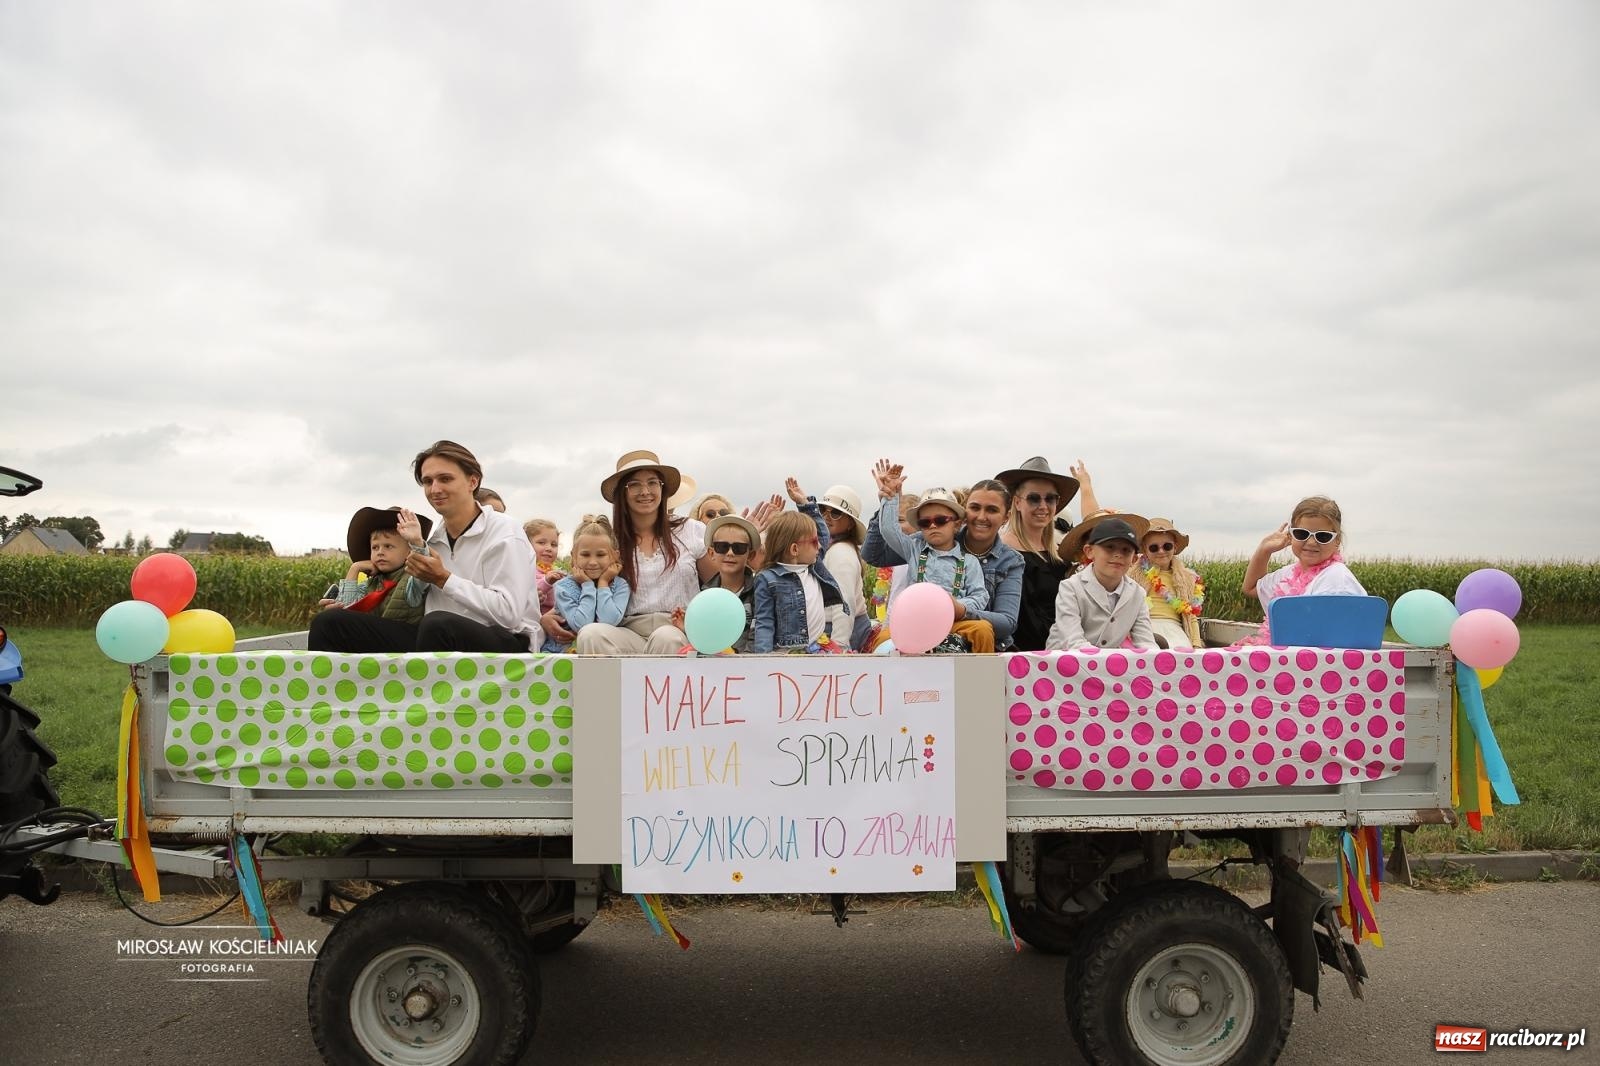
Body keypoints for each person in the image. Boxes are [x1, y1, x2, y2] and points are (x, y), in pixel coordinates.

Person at [309, 441, 540, 653]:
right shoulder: (433, 541)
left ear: (473, 481)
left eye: (445, 479)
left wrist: (443, 579)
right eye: (428, 481)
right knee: (329, 623)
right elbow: (407, 600)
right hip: (435, 637)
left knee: (437, 624)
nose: (434, 489)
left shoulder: (504, 533)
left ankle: (417, 683)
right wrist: (352, 604)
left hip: (505, 642)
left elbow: (508, 614)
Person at [572, 450, 716, 655]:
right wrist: (550, 614)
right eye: (634, 485)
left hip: (677, 628)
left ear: (662, 488)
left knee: (666, 637)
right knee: (590, 634)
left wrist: (743, 542)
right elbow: (581, 577)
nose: (645, 491)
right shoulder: (610, 539)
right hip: (627, 630)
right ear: (623, 492)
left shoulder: (690, 530)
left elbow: (718, 583)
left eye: (652, 482)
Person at [869, 462, 990, 651]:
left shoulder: (969, 561)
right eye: (925, 522)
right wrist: (890, 498)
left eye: (940, 520)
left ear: (957, 524)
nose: (933, 526)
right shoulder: (914, 548)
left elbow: (980, 595)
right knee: (883, 637)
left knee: (983, 630)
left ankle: (983, 671)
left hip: (953, 621)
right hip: (915, 620)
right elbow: (889, 530)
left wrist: (958, 606)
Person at [1239, 496, 1365, 645]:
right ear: (1290, 536)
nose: (1311, 542)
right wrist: (1264, 550)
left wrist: (1264, 650)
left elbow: (1324, 638)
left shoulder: (1337, 579)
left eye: (1323, 536)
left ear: (1336, 541)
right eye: (1301, 534)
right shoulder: (1290, 574)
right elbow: (1251, 588)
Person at [996, 457, 1081, 652]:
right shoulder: (1002, 551)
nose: (1043, 506)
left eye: (1050, 498)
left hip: (1062, 653)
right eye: (1034, 498)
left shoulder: (1061, 555)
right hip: (1019, 655)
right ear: (1017, 502)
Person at [751, 479, 846, 653]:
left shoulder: (814, 566)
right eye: (814, 541)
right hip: (786, 654)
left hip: (817, 648)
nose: (820, 545)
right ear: (795, 549)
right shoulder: (767, 579)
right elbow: (764, 622)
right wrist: (764, 659)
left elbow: (823, 534)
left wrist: (805, 504)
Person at [1046, 513, 1155, 651]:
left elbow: (1146, 642)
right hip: (1064, 659)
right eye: (1109, 547)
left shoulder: (1138, 594)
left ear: (1134, 559)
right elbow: (1072, 640)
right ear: (1089, 551)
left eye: (1126, 550)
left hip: (1106, 661)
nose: (1118, 554)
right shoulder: (1070, 587)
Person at [316, 506, 431, 625]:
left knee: (328, 619)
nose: (380, 552)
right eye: (375, 547)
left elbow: (422, 567)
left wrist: (416, 542)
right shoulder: (371, 584)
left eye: (388, 546)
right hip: (374, 635)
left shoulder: (412, 582)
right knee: (328, 618)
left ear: (409, 551)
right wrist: (355, 568)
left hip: (402, 635)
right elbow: (346, 611)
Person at [541, 516, 630, 653]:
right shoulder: (564, 587)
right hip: (564, 655)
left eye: (600, 555)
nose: (593, 562)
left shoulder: (620, 586)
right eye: (585, 555)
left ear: (614, 556)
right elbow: (582, 624)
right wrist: (587, 585)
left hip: (604, 654)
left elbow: (608, 621)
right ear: (574, 555)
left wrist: (603, 584)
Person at [818, 484, 872, 650]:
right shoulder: (831, 548)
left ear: (850, 524)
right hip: (841, 627)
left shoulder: (840, 553)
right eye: (822, 510)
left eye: (835, 512)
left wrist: (839, 646)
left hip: (840, 630)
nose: (826, 517)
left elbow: (844, 603)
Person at [1136, 518, 1205, 649]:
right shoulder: (1133, 576)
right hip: (1143, 628)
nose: (1161, 551)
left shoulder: (1187, 579)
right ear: (1145, 550)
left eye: (1167, 546)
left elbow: (1191, 616)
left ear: (1175, 547)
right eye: (1154, 548)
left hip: (1175, 631)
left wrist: (1196, 645)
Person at [700, 513, 762, 653]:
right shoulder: (705, 596)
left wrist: (741, 659)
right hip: (714, 661)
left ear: (750, 555)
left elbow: (759, 633)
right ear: (711, 553)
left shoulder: (760, 591)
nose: (730, 553)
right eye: (722, 547)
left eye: (739, 548)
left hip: (749, 661)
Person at [524, 518, 563, 617]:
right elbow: (529, 595)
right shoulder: (525, 570)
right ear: (527, 545)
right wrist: (546, 582)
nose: (549, 548)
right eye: (541, 543)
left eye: (554, 544)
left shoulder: (558, 572)